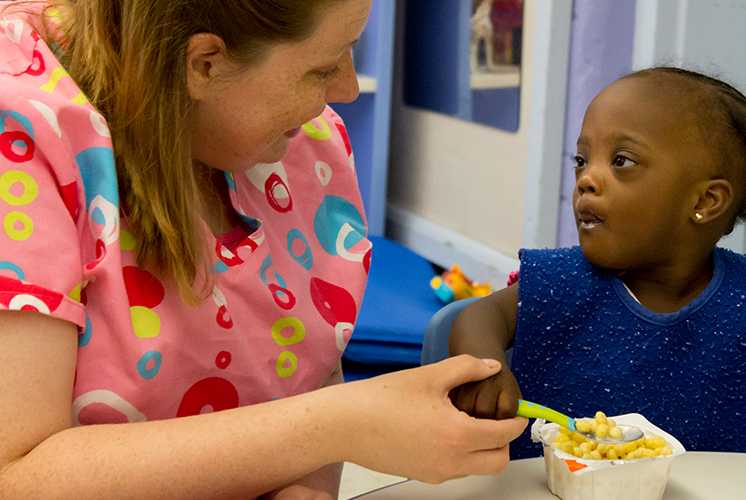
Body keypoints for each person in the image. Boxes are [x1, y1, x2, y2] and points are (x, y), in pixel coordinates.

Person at [0, 1, 528, 498]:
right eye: (321, 70)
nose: (346, 88)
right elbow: (14, 476)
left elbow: (309, 359)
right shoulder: (22, 139)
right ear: (203, 64)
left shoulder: (299, 147)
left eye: (352, 51)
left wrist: (310, 475)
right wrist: (337, 425)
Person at [449, 67, 746, 460]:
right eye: (582, 159)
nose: (586, 179)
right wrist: (488, 370)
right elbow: (478, 318)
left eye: (622, 161)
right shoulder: (562, 282)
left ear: (705, 202)